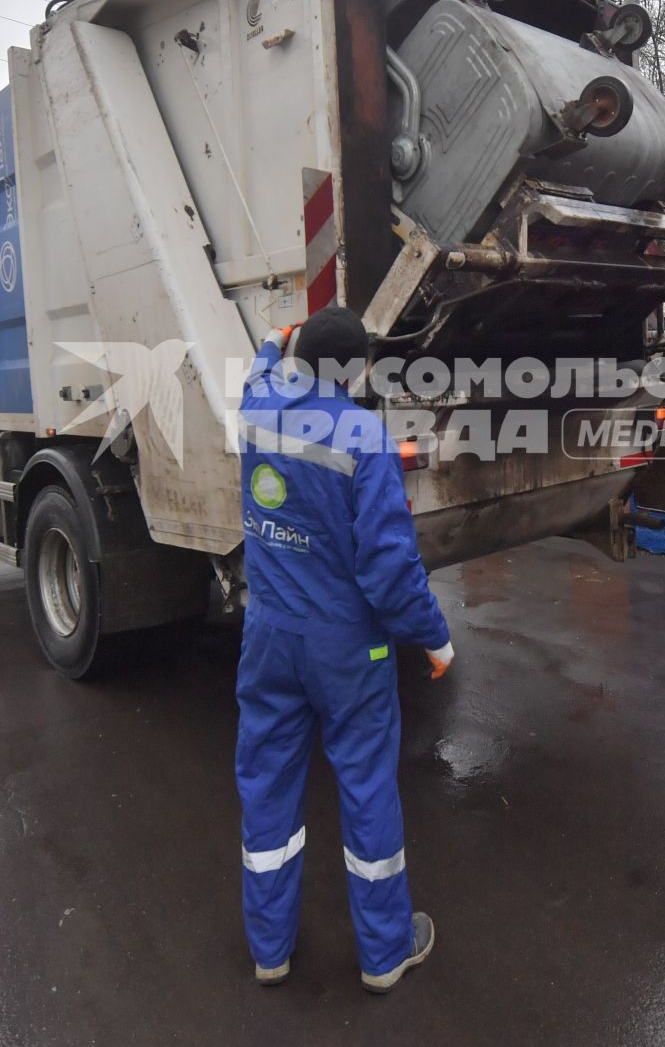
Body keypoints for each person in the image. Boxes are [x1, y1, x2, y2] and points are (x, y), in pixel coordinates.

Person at [233, 305, 454, 993]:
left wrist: (276, 335)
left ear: (298, 356)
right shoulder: (365, 435)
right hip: (349, 649)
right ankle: (385, 954)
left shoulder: (256, 408)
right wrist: (434, 636)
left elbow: (261, 370)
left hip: (269, 636)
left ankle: (270, 950)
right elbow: (388, 567)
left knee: (267, 785)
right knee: (365, 786)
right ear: (357, 370)